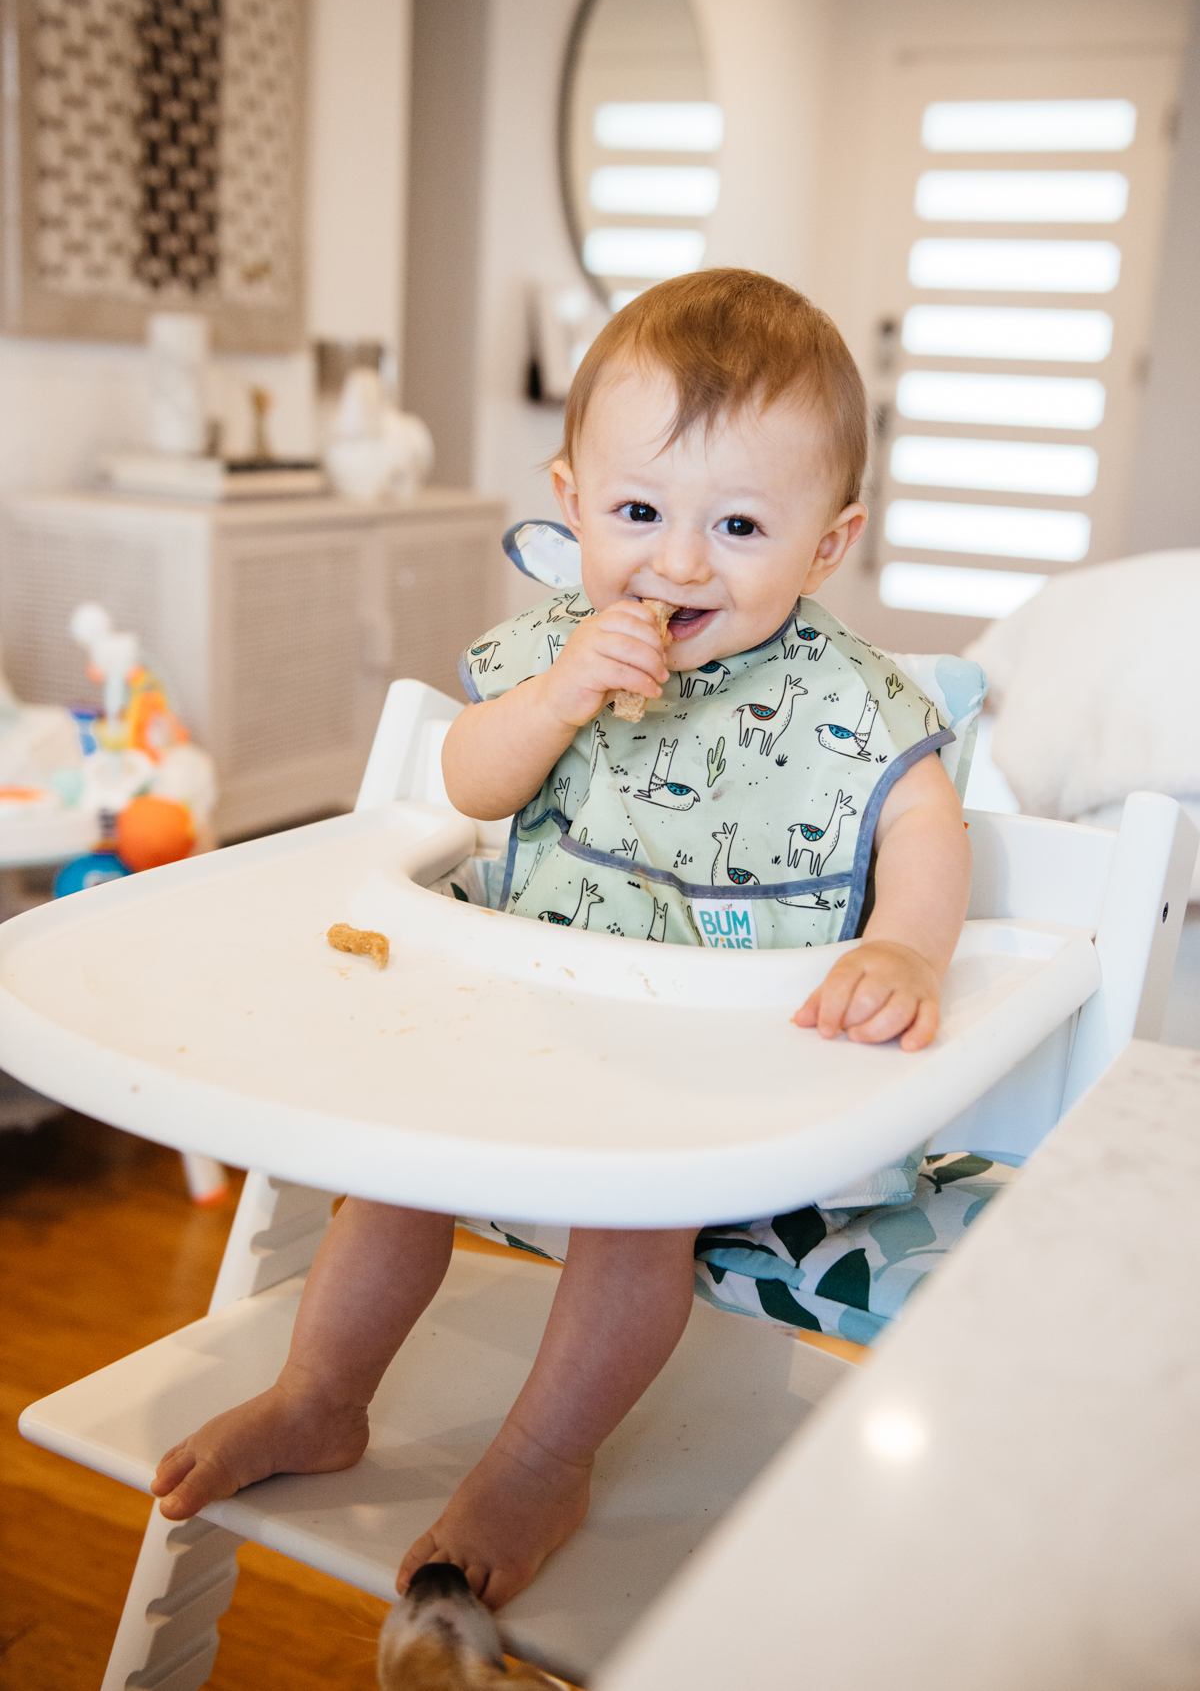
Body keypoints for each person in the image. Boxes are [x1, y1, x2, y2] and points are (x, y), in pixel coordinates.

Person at [151, 269, 972, 1609]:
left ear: (830, 542)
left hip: (703, 1079)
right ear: (574, 494)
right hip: (519, 1029)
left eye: (742, 524)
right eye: (639, 511)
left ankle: (540, 1455)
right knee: (387, 1175)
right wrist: (553, 696)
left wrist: (907, 949)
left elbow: (931, 831)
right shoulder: (555, 647)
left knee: (628, 1226)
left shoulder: (852, 698)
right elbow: (473, 783)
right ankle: (318, 1394)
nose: (680, 561)